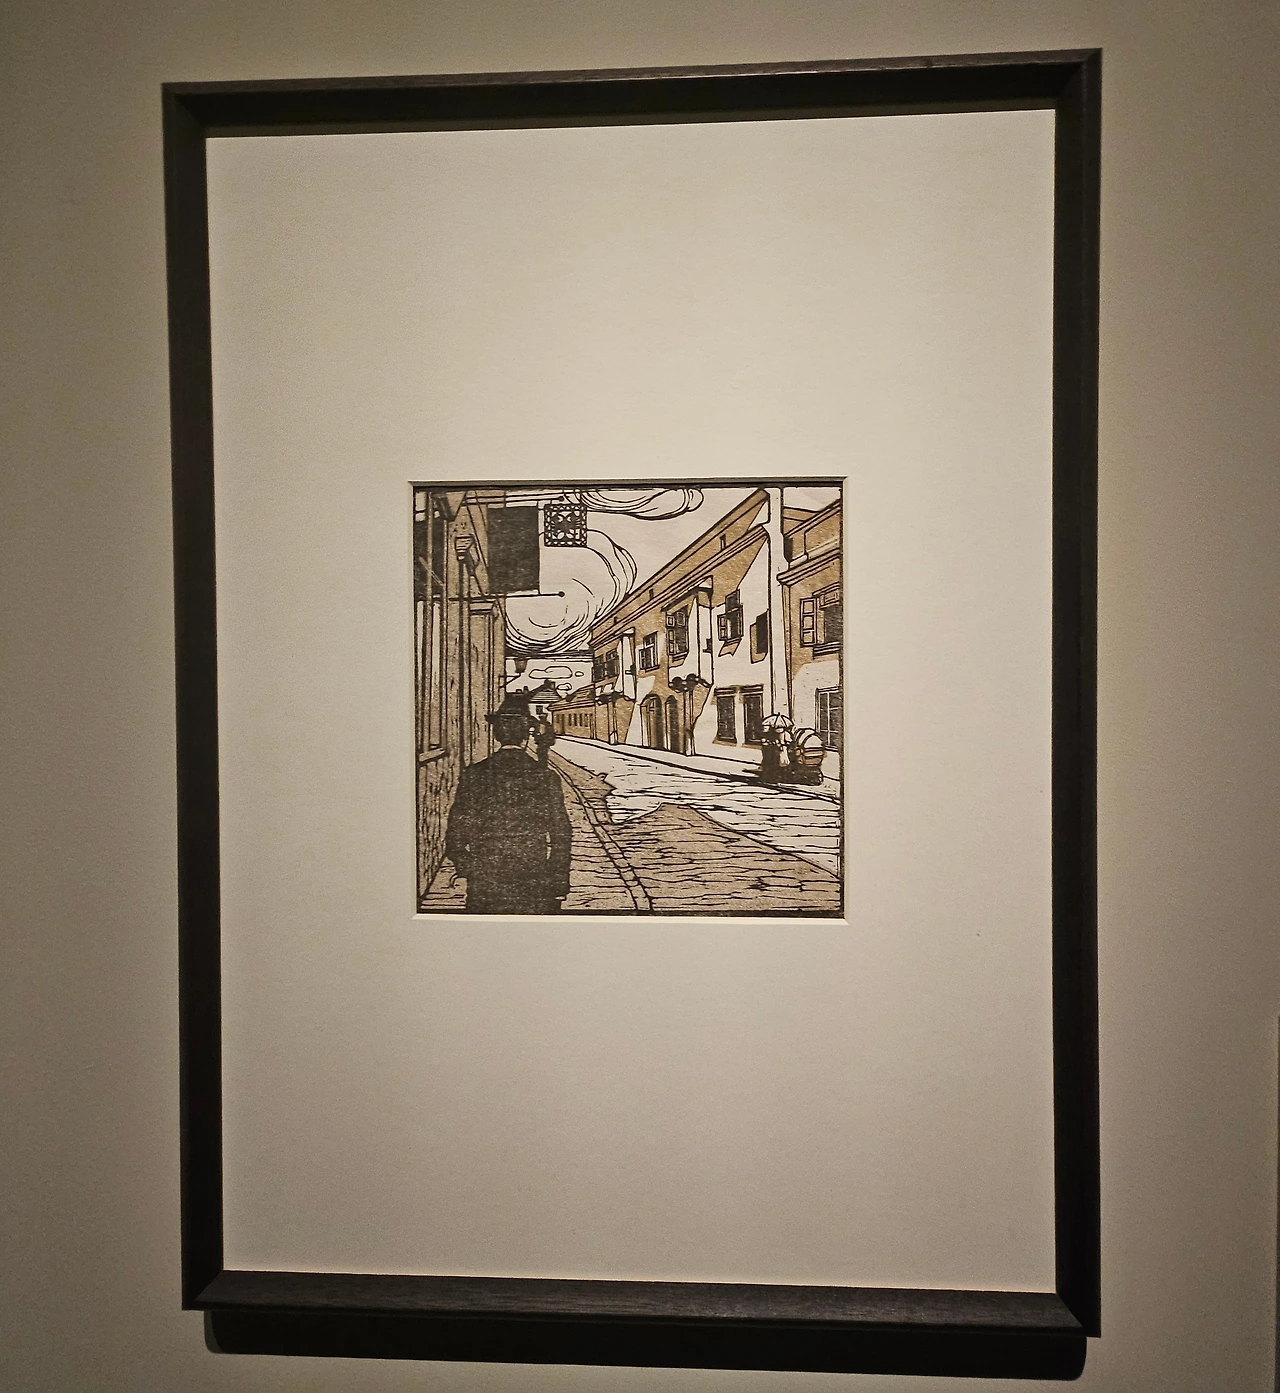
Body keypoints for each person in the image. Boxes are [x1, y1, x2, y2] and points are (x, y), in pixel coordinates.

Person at [445, 694, 572, 914]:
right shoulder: (545, 777)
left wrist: (469, 868)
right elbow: (561, 834)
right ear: (526, 735)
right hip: (533, 878)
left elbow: (455, 832)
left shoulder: (474, 774)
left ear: (497, 735)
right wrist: (557, 882)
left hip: (485, 880)